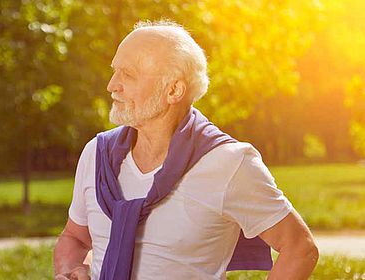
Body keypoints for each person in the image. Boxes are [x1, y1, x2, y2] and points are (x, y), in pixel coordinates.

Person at [54, 20, 319, 280]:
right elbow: (76, 237)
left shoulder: (228, 163)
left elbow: (300, 249)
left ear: (174, 90)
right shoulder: (97, 156)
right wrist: (70, 269)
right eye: (115, 71)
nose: (112, 84)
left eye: (128, 74)